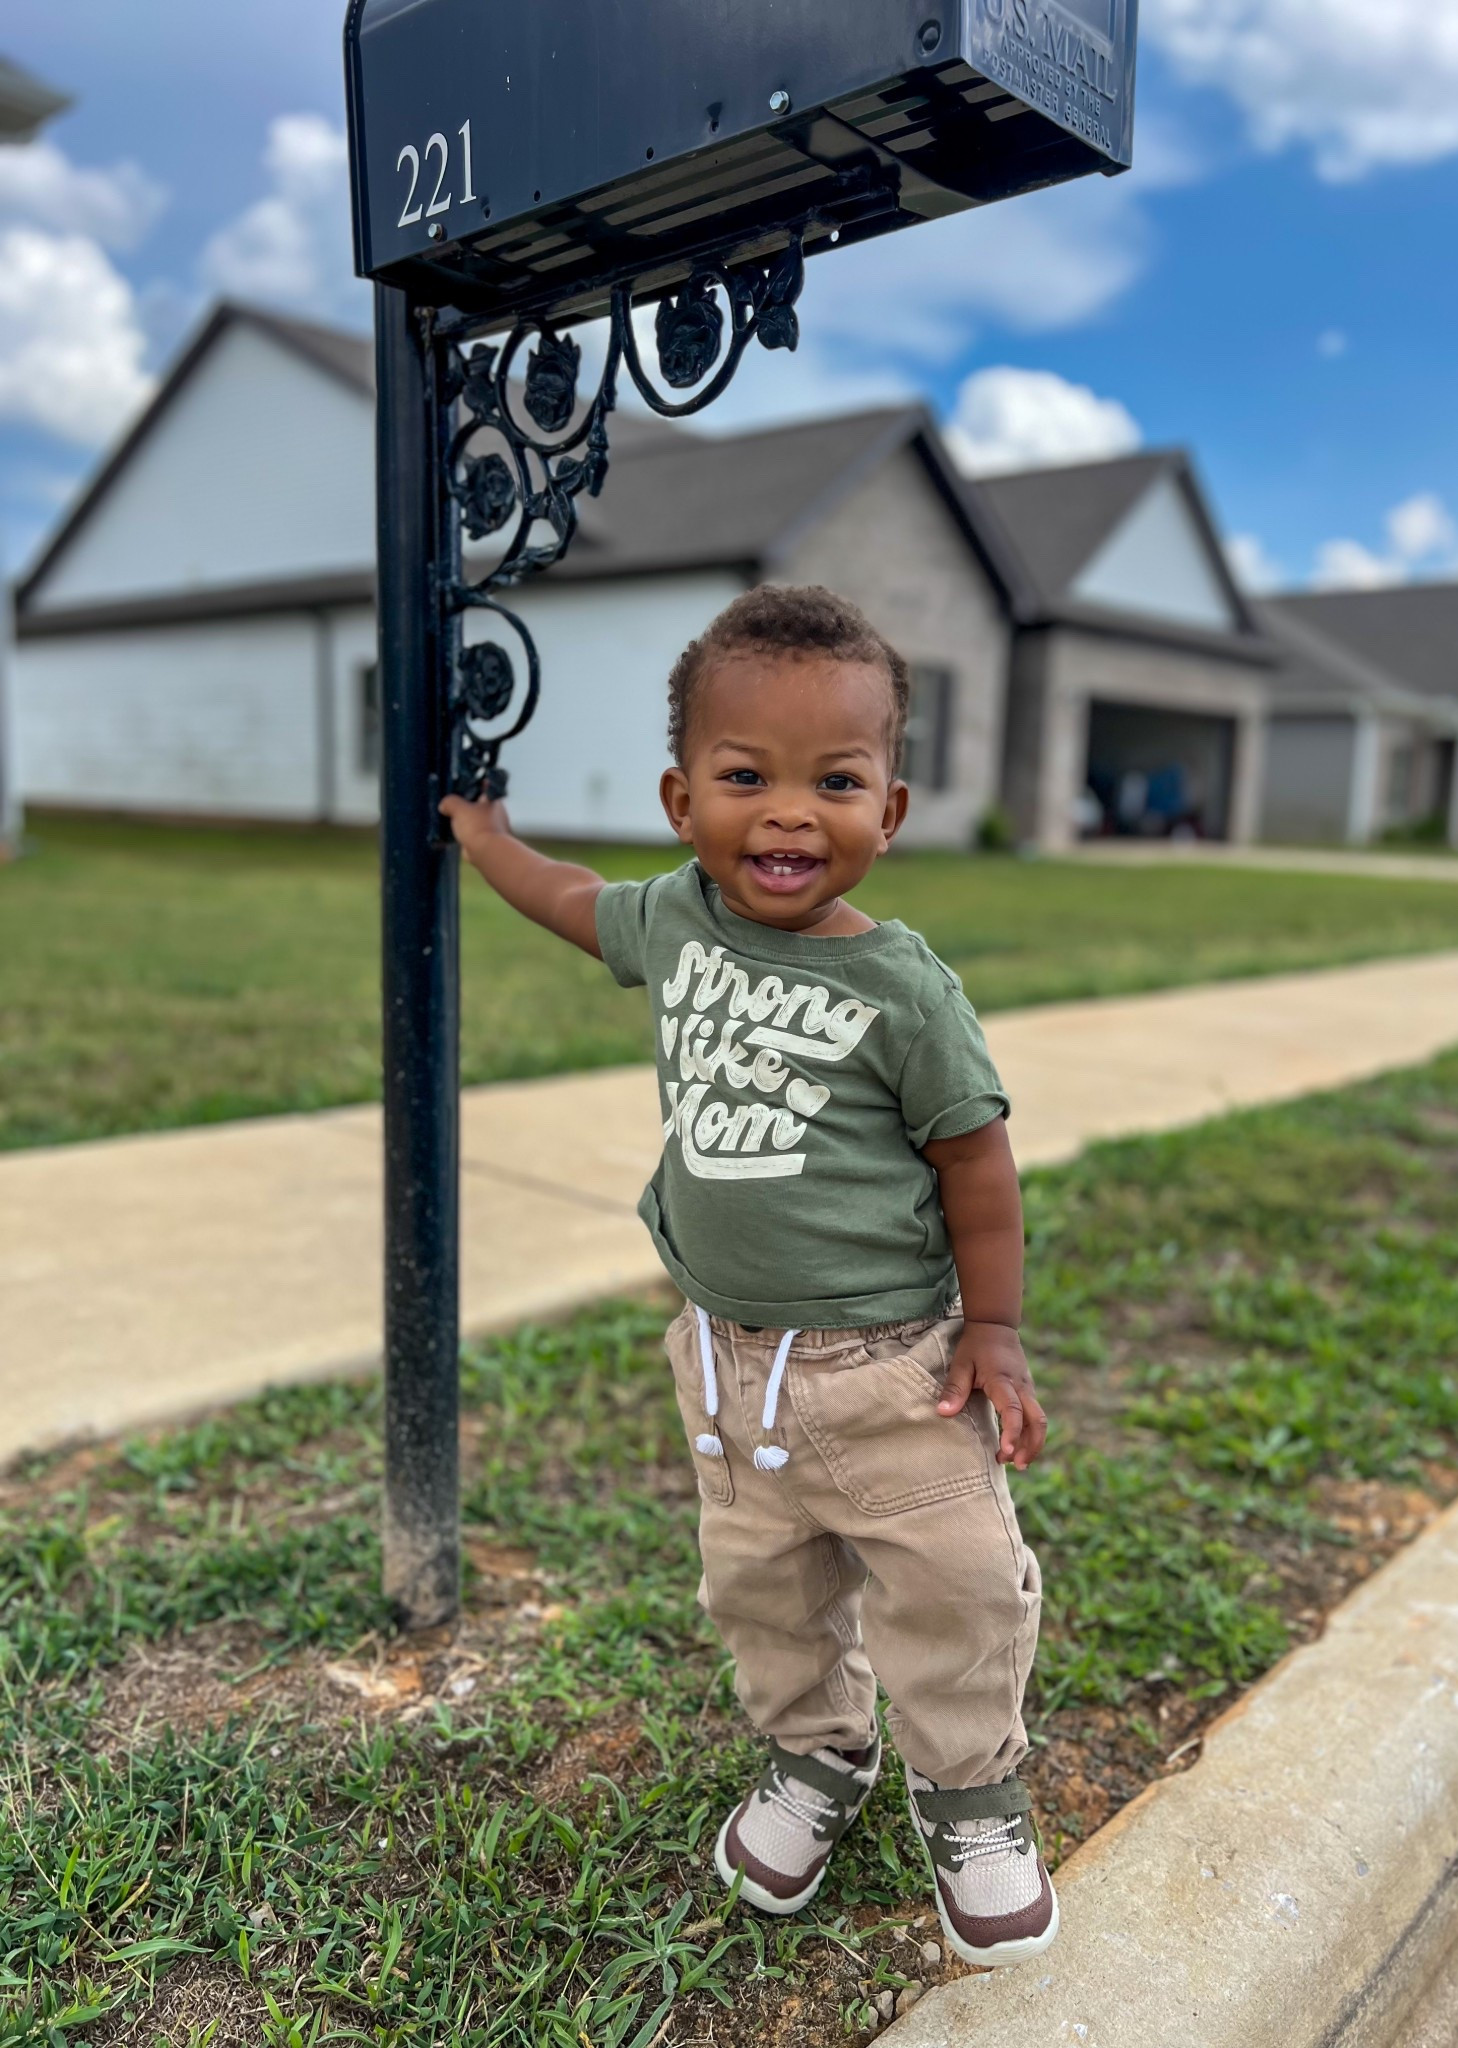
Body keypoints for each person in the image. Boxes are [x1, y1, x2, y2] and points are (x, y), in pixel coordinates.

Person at [440, 584, 1054, 1967]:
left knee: (953, 1587)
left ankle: (972, 1794)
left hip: (894, 1369)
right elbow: (570, 901)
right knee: (763, 1591)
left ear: (888, 813)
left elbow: (980, 1165)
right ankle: (817, 1757)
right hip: (727, 1365)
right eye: (746, 776)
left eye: (835, 781)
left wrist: (997, 1329)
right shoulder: (672, 923)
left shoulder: (907, 990)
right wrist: (487, 838)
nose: (788, 813)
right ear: (681, 797)